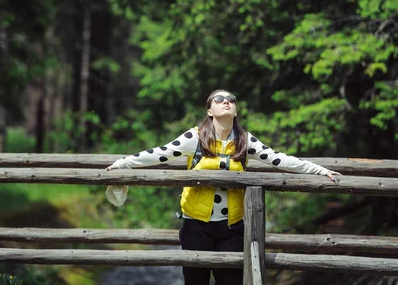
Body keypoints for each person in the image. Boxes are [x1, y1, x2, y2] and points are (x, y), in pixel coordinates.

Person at [106, 89, 341, 285]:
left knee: (230, 281)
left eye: (231, 99)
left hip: (232, 228)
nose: (226, 101)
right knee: (195, 280)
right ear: (210, 111)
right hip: (196, 225)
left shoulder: (245, 140)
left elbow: (280, 159)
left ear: (236, 110)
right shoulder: (195, 137)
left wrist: (320, 170)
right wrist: (122, 163)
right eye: (219, 99)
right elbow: (160, 153)